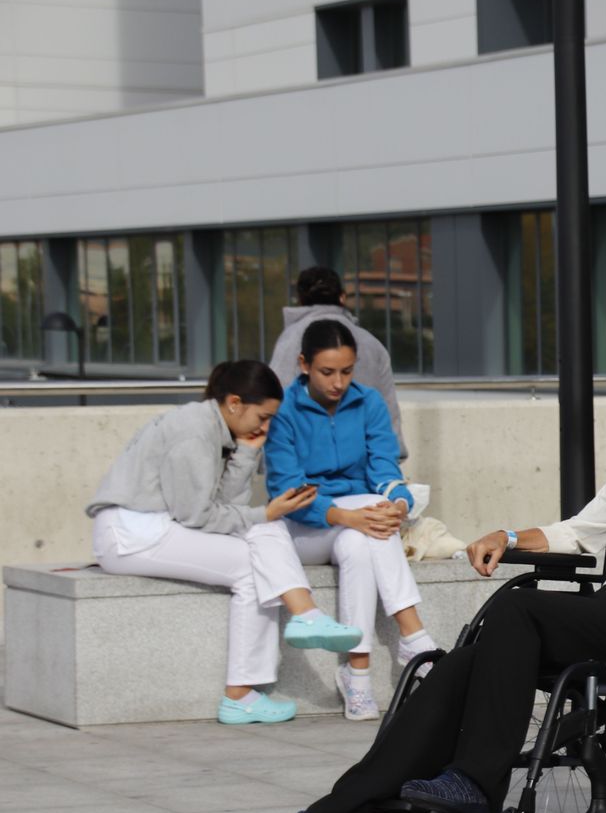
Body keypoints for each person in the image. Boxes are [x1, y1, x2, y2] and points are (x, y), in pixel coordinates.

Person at [251, 339, 606, 813]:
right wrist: (510, 536)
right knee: (463, 664)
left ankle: (476, 780)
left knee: (520, 608)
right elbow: (580, 532)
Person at [86, 360, 364, 725]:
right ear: (234, 403)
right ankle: (253, 679)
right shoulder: (192, 433)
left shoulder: (210, 426)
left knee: (265, 535)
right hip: (131, 533)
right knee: (256, 556)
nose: (265, 427)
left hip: (149, 528)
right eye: (262, 417)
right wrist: (264, 513)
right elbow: (198, 517)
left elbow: (226, 508)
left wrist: (248, 453)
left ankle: (299, 626)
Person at [263, 319, 437, 721]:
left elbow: (384, 468)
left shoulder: (370, 403)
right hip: (304, 528)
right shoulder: (284, 411)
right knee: (365, 524)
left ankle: (357, 674)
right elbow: (287, 489)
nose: (338, 382)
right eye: (327, 372)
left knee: (365, 539)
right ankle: (413, 634)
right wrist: (346, 514)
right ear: (304, 364)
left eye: (346, 371)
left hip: (357, 524)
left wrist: (398, 502)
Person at [269, 266, 406, 459]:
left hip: (305, 469)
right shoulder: (372, 344)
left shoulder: (290, 340)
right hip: (368, 466)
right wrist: (391, 459)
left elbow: (277, 402)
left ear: (299, 299)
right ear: (342, 297)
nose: (339, 383)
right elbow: (388, 406)